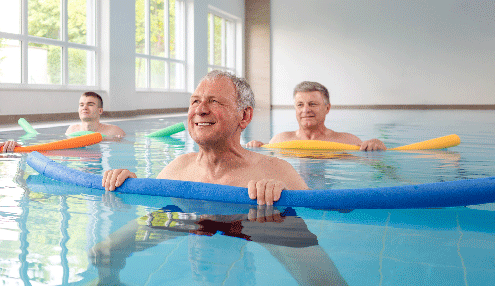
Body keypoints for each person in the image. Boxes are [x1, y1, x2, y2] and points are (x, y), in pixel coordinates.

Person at [95, 71, 346, 285]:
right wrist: (128, 182)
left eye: (214, 101)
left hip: (259, 221)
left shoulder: (275, 170)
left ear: (244, 116)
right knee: (104, 251)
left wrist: (282, 195)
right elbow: (150, 202)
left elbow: (324, 209)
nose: (200, 110)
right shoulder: (178, 167)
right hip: (186, 217)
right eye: (195, 101)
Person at [246, 81, 386, 151]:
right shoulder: (279, 140)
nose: (305, 110)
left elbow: (374, 165)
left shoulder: (347, 141)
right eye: (300, 105)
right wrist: (254, 149)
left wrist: (377, 147)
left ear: (327, 108)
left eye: (312, 104)